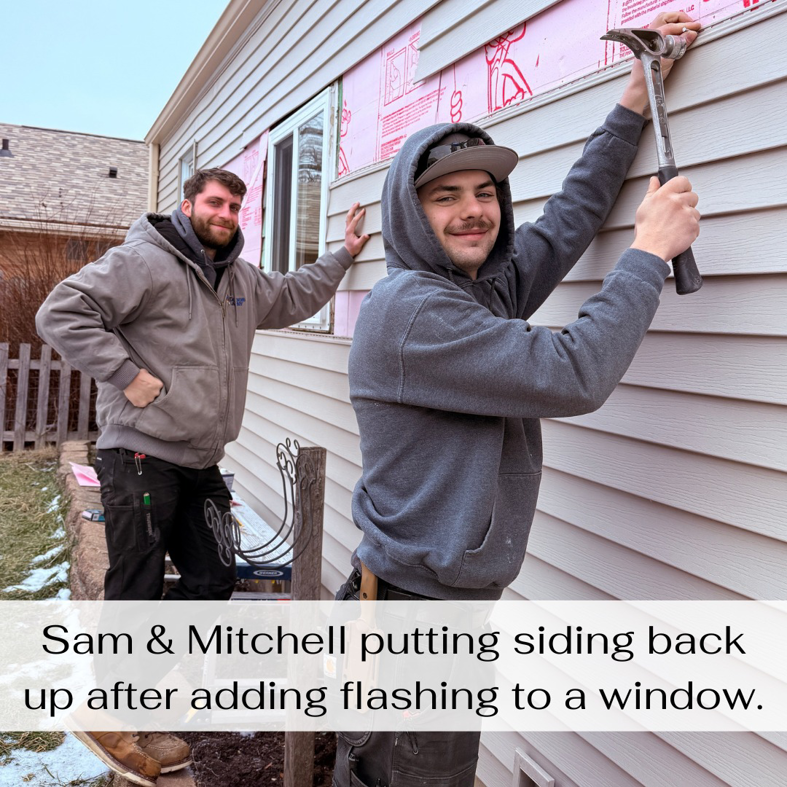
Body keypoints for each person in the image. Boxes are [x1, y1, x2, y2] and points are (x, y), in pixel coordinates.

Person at [335, 12, 701, 787]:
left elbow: (566, 220)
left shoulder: (474, 290)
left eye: (485, 192)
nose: (473, 209)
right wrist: (646, 251)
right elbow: (572, 372)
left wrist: (633, 100)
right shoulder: (413, 312)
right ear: (410, 213)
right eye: (445, 196)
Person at [36, 167, 369, 786]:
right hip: (139, 454)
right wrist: (128, 375)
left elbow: (294, 295)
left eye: (235, 206)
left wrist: (343, 255)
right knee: (136, 583)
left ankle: (119, 700)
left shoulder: (238, 279)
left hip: (199, 459)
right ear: (187, 206)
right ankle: (118, 712)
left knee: (215, 578)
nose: (226, 214)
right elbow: (61, 312)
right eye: (215, 202)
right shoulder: (143, 261)